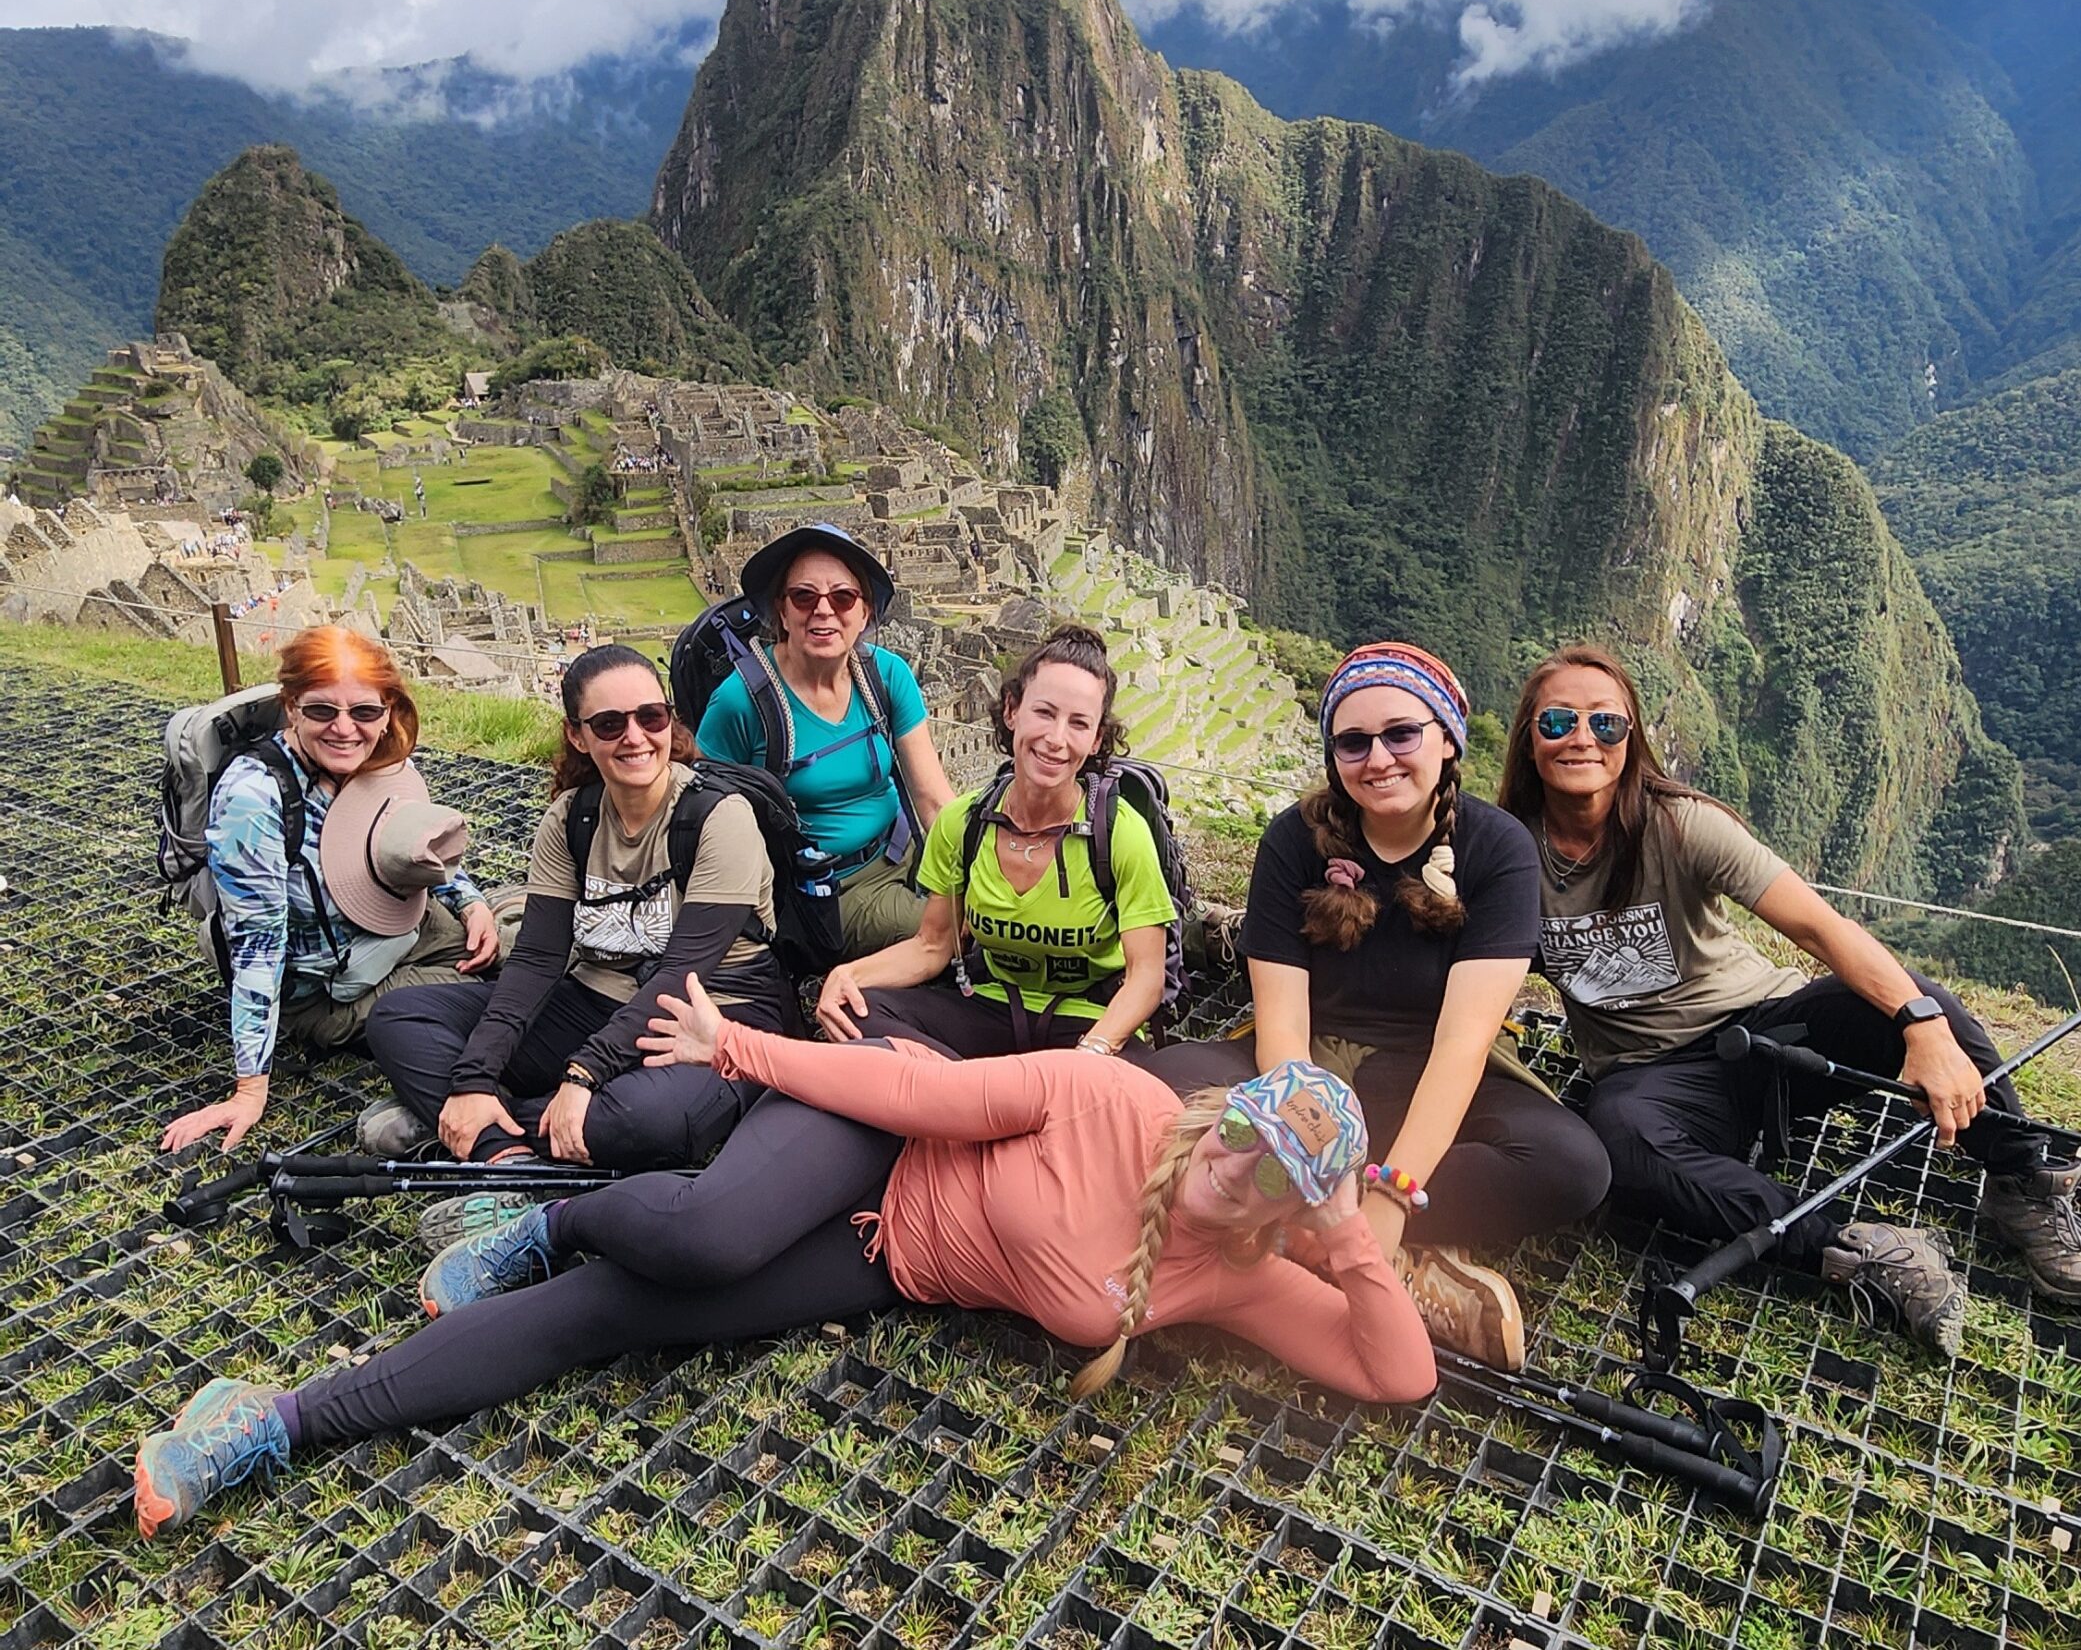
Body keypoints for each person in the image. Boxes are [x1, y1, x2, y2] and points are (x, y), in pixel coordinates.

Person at [134, 981, 1436, 1538]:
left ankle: (271, 1421)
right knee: (706, 1231)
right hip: (862, 1124)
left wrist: (1348, 1246)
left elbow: (1395, 1375)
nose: (1239, 1170)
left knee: (616, 1321)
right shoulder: (1115, 1103)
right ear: (1225, 1110)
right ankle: (544, 1219)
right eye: (1247, 1136)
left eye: (1279, 1177)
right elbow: (911, 1098)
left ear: (1291, 1211)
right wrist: (737, 1050)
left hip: (887, 1255)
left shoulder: (1239, 1270)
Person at [1501, 644, 2081, 1354]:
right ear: (1528, 740)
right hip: (1650, 1079)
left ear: (1631, 738)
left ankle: (2021, 1180)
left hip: (1765, 1032)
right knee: (1619, 1142)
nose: (1582, 738)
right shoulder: (1505, 859)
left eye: (1606, 724)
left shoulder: (1680, 824)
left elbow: (1819, 927)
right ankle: (1856, 1250)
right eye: (1558, 721)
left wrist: (1920, 1025)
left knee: (1915, 999)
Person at [1155, 642, 1611, 1370]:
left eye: (1401, 733)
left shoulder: (1497, 850)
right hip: (1308, 1064)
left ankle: (1325, 1238)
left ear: (1445, 740)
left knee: (1570, 1165)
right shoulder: (1291, 840)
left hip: (1429, 1069)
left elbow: (1462, 1046)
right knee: (1152, 1090)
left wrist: (1387, 1204)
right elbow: (1283, 1031)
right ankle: (1400, 1269)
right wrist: (1307, 1151)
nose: (1379, 758)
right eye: (1353, 741)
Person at [359, 644, 794, 1171]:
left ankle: (467, 1122)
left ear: (669, 720)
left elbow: (684, 974)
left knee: (644, 1119)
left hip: (712, 1014)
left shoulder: (719, 818)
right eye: (609, 724)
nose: (635, 737)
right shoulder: (570, 820)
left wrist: (584, 1072)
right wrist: (476, 1072)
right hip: (596, 998)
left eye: (650, 717)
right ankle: (499, 1140)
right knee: (398, 1016)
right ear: (577, 735)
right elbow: (539, 959)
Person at [159, 626, 498, 1156]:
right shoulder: (254, 798)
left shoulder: (380, 756)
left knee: (530, 939)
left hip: (401, 925)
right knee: (504, 996)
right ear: (291, 707)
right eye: (322, 712)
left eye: (364, 712)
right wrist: (249, 1090)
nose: (345, 730)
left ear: (387, 710)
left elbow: (407, 843)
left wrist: (470, 901)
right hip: (330, 986)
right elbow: (257, 948)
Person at [816, 625, 1175, 1062]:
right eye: (1044, 713)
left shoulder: (1119, 832)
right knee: (862, 1011)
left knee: (1140, 1096)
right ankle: (979, 1097)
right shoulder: (962, 825)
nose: (1056, 739)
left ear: (1097, 739)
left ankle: (952, 1099)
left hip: (1085, 1021)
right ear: (1012, 711)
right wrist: (849, 974)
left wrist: (1093, 1053)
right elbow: (933, 946)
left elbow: (1145, 977)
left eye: (1079, 723)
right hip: (991, 1006)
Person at [696, 525, 958, 949]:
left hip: (906, 853)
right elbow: (702, 811)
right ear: (781, 612)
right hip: (831, 892)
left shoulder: (886, 676)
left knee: (992, 913)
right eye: (804, 596)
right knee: (955, 936)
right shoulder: (742, 702)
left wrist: (980, 874)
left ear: (864, 612)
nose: (823, 610)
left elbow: (933, 799)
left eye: (842, 597)